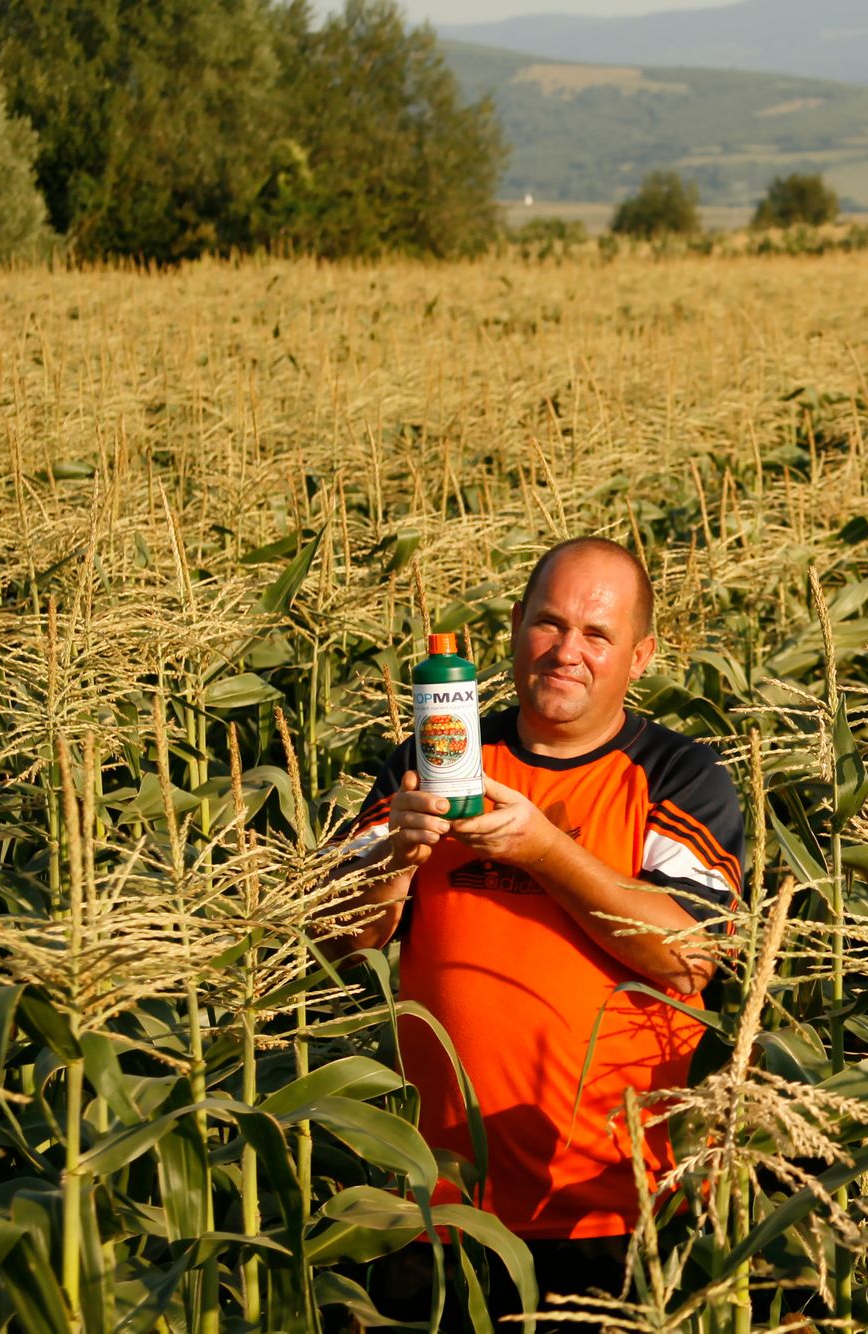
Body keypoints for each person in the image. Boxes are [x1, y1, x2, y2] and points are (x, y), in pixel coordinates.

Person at [326, 536, 743, 1321]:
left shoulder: (678, 777)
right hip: (433, 1207)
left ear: (640, 655)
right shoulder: (437, 754)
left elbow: (689, 956)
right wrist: (396, 855)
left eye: (597, 635)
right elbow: (339, 940)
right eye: (549, 624)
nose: (567, 652)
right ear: (516, 627)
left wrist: (545, 850)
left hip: (612, 1209)